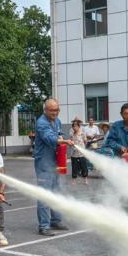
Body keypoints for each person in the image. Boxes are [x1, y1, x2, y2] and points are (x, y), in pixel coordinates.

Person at [34, 98, 72, 236]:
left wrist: (62, 137)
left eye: (56, 110)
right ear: (45, 110)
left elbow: (59, 133)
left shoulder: (57, 121)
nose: (54, 112)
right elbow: (49, 138)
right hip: (44, 162)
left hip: (55, 161)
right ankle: (43, 225)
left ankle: (56, 220)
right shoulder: (41, 123)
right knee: (45, 193)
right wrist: (63, 141)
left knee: (56, 191)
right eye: (51, 110)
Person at [69, 119, 88, 184]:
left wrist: (83, 149)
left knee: (84, 166)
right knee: (74, 167)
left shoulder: (82, 134)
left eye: (76, 126)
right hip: (74, 154)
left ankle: (85, 179)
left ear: (79, 127)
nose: (74, 128)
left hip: (81, 154)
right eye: (73, 126)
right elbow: (70, 142)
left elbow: (85, 142)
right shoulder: (72, 134)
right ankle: (74, 179)